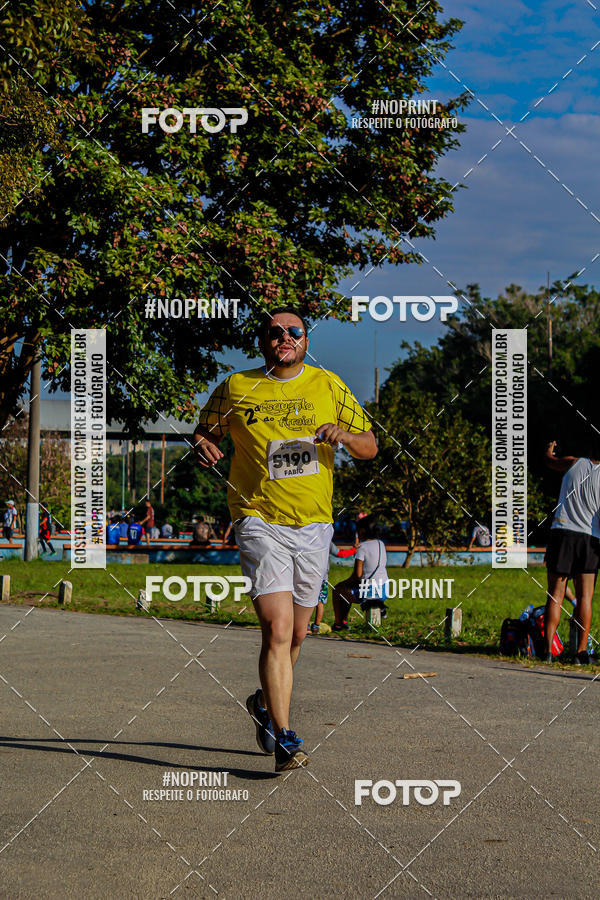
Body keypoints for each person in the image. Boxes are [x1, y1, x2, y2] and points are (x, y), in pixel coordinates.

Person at [194, 307, 377, 771]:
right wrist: (202, 444)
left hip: (314, 525)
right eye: (275, 332)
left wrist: (345, 438)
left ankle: (263, 704)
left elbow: (371, 445)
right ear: (263, 342)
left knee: (298, 632)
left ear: (306, 341)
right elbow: (203, 431)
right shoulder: (237, 386)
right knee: (276, 629)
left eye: (293, 332)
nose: (284, 338)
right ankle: (283, 736)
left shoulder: (328, 385)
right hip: (258, 519)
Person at [543, 440, 600, 664]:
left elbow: (550, 461)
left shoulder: (573, 463)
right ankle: (581, 652)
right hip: (590, 538)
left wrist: (548, 451)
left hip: (562, 533)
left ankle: (547, 651)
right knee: (585, 597)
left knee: (555, 595)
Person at [332, 517, 388, 630]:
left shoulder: (362, 548)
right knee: (347, 589)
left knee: (338, 590)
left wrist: (344, 583)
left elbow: (357, 575)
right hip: (384, 589)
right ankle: (343, 622)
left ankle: (339, 623)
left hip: (369, 591)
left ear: (361, 531)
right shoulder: (380, 543)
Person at [309, 542, 357, 633]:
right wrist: (354, 550)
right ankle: (316, 626)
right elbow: (340, 554)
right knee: (320, 602)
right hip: (323, 577)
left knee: (308, 601)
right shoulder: (327, 540)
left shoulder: (308, 538)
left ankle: (306, 625)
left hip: (309, 575)